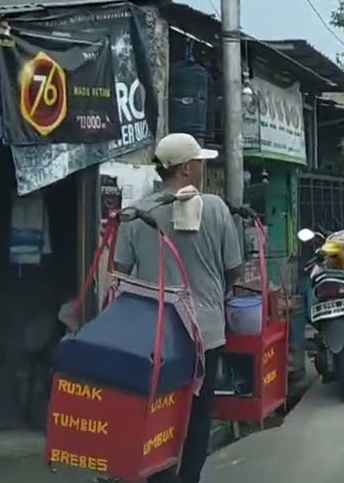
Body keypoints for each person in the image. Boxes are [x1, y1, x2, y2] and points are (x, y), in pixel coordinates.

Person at [114, 133, 243, 483]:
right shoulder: (215, 208)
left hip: (155, 337)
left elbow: (120, 274)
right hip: (205, 333)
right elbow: (235, 269)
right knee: (197, 417)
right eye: (199, 161)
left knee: (157, 415)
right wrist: (218, 291)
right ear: (186, 168)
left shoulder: (137, 215)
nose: (203, 166)